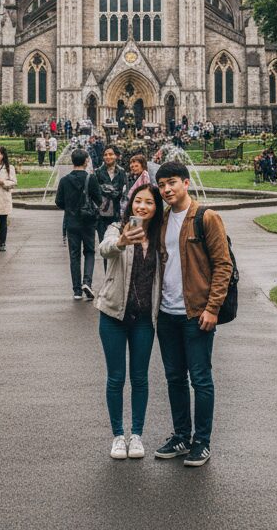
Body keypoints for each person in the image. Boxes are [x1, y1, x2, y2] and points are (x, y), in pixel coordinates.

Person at [153, 160, 231, 468]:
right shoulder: (160, 220)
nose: (167, 189)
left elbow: (223, 265)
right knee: (174, 377)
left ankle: (202, 441)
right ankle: (182, 436)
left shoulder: (206, 217)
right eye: (161, 185)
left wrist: (213, 308)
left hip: (196, 312)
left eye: (172, 182)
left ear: (186, 182)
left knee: (200, 378)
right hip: (167, 313)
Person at [95, 179, 164, 460]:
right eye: (138, 201)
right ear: (131, 203)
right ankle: (117, 435)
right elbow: (105, 247)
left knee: (140, 378)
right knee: (115, 378)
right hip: (113, 314)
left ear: (156, 208)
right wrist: (122, 241)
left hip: (144, 319)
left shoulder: (160, 236)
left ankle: (136, 435)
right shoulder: (116, 228)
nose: (142, 206)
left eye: (149, 202)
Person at [55, 148, 103, 300]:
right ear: (86, 161)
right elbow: (99, 200)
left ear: (72, 161)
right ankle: (87, 281)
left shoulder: (64, 180)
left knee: (74, 255)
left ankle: (76, 290)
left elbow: (58, 201)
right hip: (88, 222)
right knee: (89, 252)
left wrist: (70, 208)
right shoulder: (91, 178)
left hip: (72, 222)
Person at [95, 145, 127, 252]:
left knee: (116, 245)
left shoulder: (121, 172)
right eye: (105, 155)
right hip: (102, 214)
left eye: (111, 154)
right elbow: (96, 191)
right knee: (104, 246)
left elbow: (123, 191)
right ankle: (106, 269)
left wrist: (108, 190)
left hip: (117, 214)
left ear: (116, 156)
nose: (108, 157)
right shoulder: (98, 172)